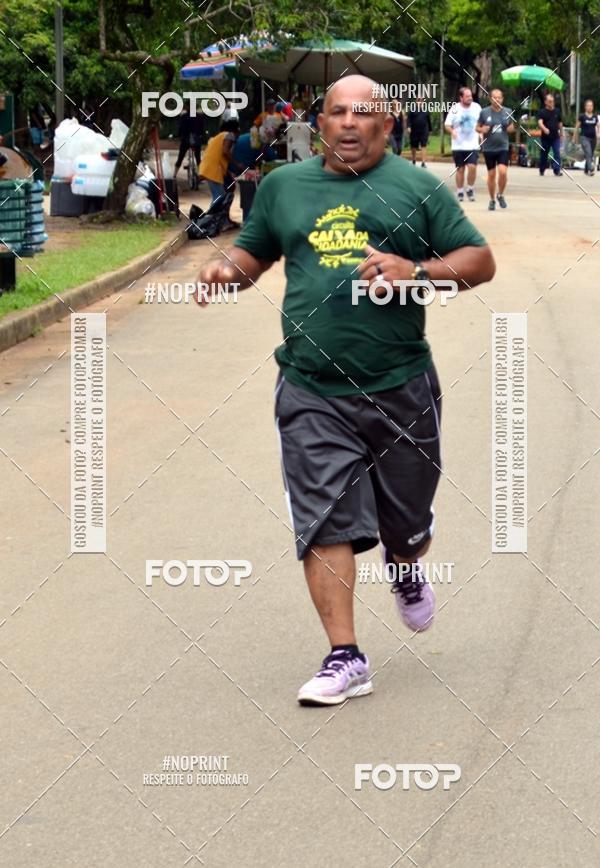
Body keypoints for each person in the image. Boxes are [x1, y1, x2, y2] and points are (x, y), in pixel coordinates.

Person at [195, 75, 496, 706]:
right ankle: (345, 655)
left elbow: (478, 260)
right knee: (324, 517)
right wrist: (226, 273)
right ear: (321, 123)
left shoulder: (416, 189)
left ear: (387, 124)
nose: (350, 124)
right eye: (337, 113)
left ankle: (408, 560)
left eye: (365, 114)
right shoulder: (281, 187)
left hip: (400, 385)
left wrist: (415, 272)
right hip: (310, 385)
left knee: (405, 520)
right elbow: (254, 256)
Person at [477, 88, 515, 210]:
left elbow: (512, 127)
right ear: (490, 99)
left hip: (503, 147)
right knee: (492, 175)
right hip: (489, 148)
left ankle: (500, 194)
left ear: (502, 99)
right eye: (494, 97)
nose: (497, 99)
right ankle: (492, 199)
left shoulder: (507, 111)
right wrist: (482, 130)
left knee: (503, 172)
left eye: (499, 97)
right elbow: (477, 127)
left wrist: (510, 129)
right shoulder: (484, 112)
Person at [445, 87, 482, 201]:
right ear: (461, 97)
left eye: (470, 96)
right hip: (458, 145)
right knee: (460, 169)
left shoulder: (477, 107)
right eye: (467, 96)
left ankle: (470, 188)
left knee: (472, 167)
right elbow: (447, 125)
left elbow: (482, 122)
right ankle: (460, 191)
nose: (470, 98)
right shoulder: (455, 109)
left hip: (473, 144)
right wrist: (452, 132)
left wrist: (481, 133)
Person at [198, 119, 243, 205]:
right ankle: (209, 216)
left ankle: (212, 216)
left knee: (218, 195)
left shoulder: (219, 136)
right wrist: (237, 164)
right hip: (213, 169)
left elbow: (220, 157)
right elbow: (225, 151)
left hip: (209, 168)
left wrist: (229, 173)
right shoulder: (229, 135)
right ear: (235, 130)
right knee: (220, 196)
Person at [537, 93, 563, 176]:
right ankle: (542, 169)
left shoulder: (557, 111)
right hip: (545, 137)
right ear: (546, 102)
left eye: (552, 101)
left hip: (555, 137)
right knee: (544, 153)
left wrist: (562, 134)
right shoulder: (542, 112)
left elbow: (560, 124)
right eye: (549, 101)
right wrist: (544, 129)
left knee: (557, 152)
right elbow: (540, 122)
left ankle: (556, 170)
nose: (551, 103)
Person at [174, 108, 205, 177]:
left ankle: (174, 175)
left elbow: (180, 128)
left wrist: (178, 136)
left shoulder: (184, 116)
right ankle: (200, 175)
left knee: (180, 157)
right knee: (198, 158)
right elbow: (202, 129)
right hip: (196, 140)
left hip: (185, 139)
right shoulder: (199, 116)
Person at [574, 98, 600, 176]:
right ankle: (590, 169)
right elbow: (577, 127)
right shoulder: (582, 116)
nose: (590, 107)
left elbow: (598, 125)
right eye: (588, 106)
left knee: (590, 154)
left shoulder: (595, 116)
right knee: (588, 152)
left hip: (593, 139)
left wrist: (598, 133)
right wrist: (574, 137)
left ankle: (586, 170)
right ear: (585, 107)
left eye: (591, 106)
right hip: (584, 138)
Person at [407, 100, 431, 166]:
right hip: (414, 130)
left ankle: (423, 162)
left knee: (424, 145)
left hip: (424, 130)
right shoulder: (412, 110)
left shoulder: (426, 110)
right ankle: (414, 160)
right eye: (419, 100)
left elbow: (428, 120)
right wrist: (408, 127)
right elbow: (409, 119)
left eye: (422, 100)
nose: (420, 102)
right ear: (416, 102)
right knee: (413, 146)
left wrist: (430, 130)